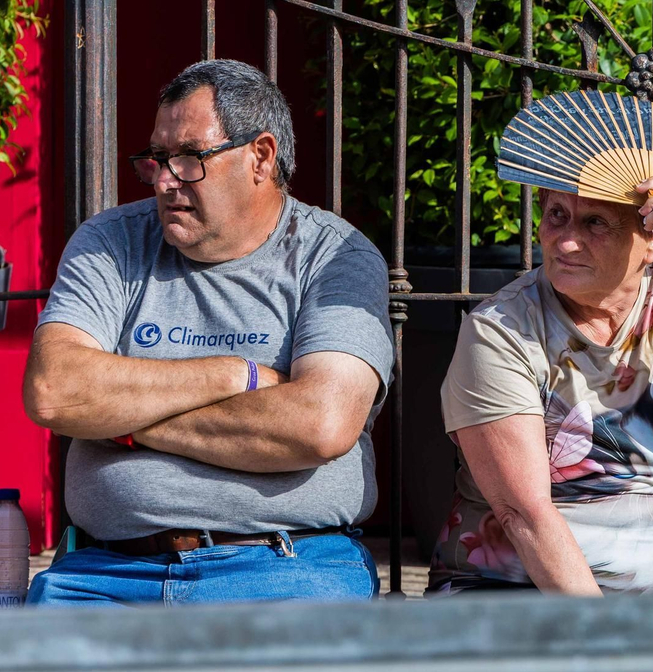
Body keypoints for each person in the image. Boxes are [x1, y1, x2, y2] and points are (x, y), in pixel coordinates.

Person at [22, 59, 394, 605]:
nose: (166, 179)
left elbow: (322, 425)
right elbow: (53, 391)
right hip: (107, 572)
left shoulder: (333, 256)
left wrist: (123, 423)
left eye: (190, 157)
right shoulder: (111, 242)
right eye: (157, 158)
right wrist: (235, 375)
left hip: (287, 566)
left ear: (260, 157)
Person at [428, 179, 653, 594]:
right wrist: (610, 642)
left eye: (595, 222)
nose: (567, 242)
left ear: (652, 241)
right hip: (528, 590)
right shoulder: (501, 329)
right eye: (557, 215)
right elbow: (524, 514)